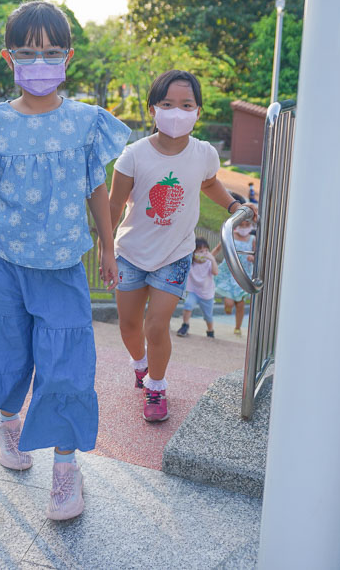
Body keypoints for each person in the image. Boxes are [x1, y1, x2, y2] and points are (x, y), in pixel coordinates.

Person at [0, 1, 129, 521]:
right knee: (5, 353)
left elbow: (97, 189)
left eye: (51, 52)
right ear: (8, 57)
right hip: (3, 264)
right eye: (28, 52)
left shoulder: (87, 122)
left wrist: (108, 247)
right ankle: (8, 423)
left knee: (67, 367)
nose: (40, 61)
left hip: (62, 266)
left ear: (68, 57)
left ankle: (66, 471)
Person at [108, 70, 252, 423]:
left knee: (156, 325)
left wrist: (235, 205)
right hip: (131, 253)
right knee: (129, 325)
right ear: (153, 109)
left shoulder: (203, 153)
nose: (177, 112)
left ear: (197, 111)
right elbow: (113, 206)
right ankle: (140, 365)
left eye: (186, 105)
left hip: (175, 255)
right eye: (168, 104)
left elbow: (210, 184)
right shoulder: (133, 155)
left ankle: (156, 387)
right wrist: (104, 251)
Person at [213, 212, 256, 337]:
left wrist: (252, 258)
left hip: (243, 273)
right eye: (241, 224)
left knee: (240, 303)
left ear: (250, 225)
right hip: (229, 272)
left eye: (246, 224)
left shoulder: (253, 239)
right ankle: (227, 307)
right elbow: (218, 249)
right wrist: (208, 259)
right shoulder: (230, 236)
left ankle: (238, 327)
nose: (244, 227)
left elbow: (256, 254)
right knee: (229, 302)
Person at [176, 237, 218, 339]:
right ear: (193, 253)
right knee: (188, 304)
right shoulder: (190, 263)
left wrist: (212, 259)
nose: (204, 253)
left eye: (206, 251)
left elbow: (215, 272)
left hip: (206, 293)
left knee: (208, 315)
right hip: (192, 291)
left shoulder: (209, 263)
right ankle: (185, 325)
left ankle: (210, 330)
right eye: (200, 251)